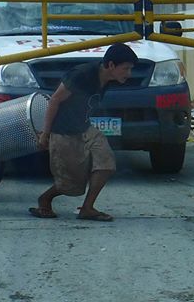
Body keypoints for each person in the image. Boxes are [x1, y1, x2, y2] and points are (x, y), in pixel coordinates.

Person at [30, 43, 138, 222]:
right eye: (125, 69)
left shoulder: (108, 80)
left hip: (85, 128)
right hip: (63, 131)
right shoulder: (82, 75)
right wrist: (46, 134)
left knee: (106, 164)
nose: (128, 74)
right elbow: (55, 100)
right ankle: (45, 199)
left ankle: (87, 208)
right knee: (71, 186)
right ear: (111, 65)